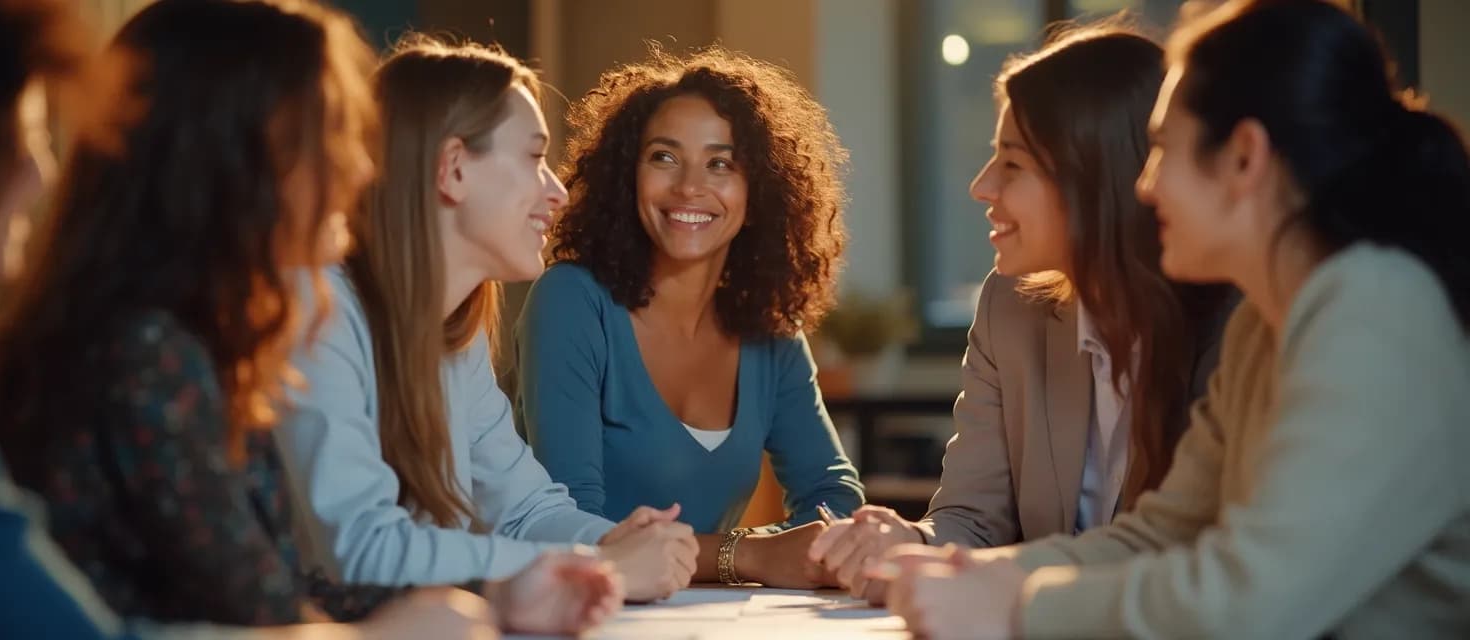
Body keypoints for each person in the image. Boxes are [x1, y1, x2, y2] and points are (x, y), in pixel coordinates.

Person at [0, 1, 618, 633]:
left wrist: (497, 598)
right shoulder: (149, 351)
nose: (360, 166)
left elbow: (272, 586)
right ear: (239, 158)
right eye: (331, 137)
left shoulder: (188, 340)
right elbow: (267, 608)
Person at [880, 1, 1470, 637]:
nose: (1143, 185)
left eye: (1162, 148)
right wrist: (977, 577)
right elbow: (1161, 534)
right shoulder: (1265, 324)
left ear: (1244, 158)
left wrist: (1017, 607)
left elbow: (1251, 601)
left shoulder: (1376, 310)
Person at [808, 21, 1234, 600]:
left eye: (1013, 164)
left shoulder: (1233, 326)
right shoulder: (1009, 307)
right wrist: (910, 542)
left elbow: (1197, 556)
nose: (981, 187)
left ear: (1097, 177)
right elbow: (971, 518)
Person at [277, 36, 697, 603]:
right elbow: (360, 548)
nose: (557, 193)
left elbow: (524, 511)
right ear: (453, 169)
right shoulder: (318, 307)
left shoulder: (455, 336)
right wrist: (600, 565)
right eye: (535, 158)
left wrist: (614, 541)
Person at [518, 46, 865, 588]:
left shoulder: (771, 330)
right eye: (664, 157)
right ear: (627, 174)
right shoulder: (571, 302)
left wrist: (778, 551)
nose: (688, 187)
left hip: (707, 617)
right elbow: (571, 524)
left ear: (760, 188)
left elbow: (833, 495)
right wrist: (746, 555)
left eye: (720, 163)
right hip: (575, 609)